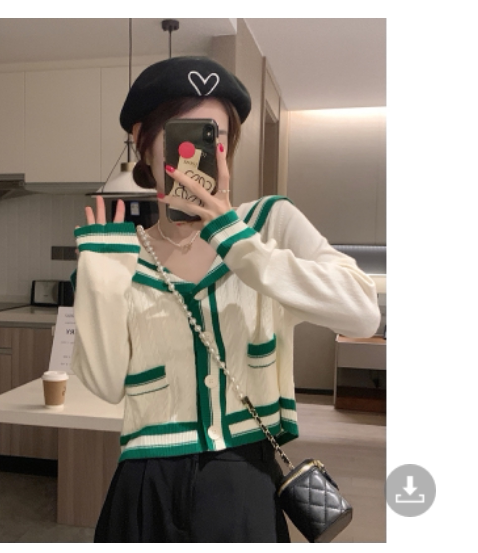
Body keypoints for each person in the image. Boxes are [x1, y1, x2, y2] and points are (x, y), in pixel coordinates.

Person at [70, 56, 381, 543]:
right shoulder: (122, 252)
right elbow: (106, 385)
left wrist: (236, 241)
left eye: (214, 136)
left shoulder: (268, 225)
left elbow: (362, 312)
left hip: (244, 480)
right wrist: (100, 282)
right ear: (143, 140)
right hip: (145, 484)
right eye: (183, 135)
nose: (198, 155)